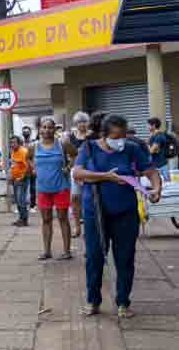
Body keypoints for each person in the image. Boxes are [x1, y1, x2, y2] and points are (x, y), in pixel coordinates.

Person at [73, 114, 162, 318]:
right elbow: (77, 173)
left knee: (125, 258)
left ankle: (123, 302)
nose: (120, 139)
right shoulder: (88, 148)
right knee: (94, 257)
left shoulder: (130, 148)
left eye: (123, 135)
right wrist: (105, 176)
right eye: (116, 136)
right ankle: (93, 300)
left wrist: (156, 189)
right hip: (96, 212)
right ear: (104, 135)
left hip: (125, 212)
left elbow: (151, 171)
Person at [27, 117, 78, 260]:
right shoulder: (33, 146)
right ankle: (47, 251)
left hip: (61, 186)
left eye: (50, 127)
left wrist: (68, 167)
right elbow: (28, 158)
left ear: (54, 129)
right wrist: (33, 169)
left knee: (62, 218)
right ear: (39, 129)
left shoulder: (63, 143)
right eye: (44, 127)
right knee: (46, 219)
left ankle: (67, 251)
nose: (46, 130)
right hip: (43, 188)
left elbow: (75, 155)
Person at [69, 111, 90, 238]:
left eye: (84, 122)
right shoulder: (71, 136)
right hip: (75, 170)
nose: (81, 124)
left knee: (87, 199)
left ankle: (88, 227)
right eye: (79, 122)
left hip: (89, 170)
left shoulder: (92, 136)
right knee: (75, 198)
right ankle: (77, 226)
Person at [9, 135, 30, 227]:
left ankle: (24, 219)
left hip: (22, 179)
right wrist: (11, 177)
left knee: (21, 200)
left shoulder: (23, 152)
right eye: (11, 143)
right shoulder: (13, 151)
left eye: (14, 142)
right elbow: (14, 165)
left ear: (19, 143)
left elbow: (29, 166)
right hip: (15, 179)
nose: (12, 144)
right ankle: (21, 218)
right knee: (17, 200)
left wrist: (22, 177)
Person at [147, 117, 169, 182]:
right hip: (155, 165)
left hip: (161, 165)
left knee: (167, 186)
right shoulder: (152, 135)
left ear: (153, 125)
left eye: (148, 125)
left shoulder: (159, 136)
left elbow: (152, 150)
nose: (147, 127)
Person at [22, 125, 37, 209]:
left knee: (33, 187)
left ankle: (33, 205)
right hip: (23, 168)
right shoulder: (20, 142)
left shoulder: (34, 142)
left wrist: (34, 166)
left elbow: (35, 155)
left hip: (31, 167)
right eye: (24, 132)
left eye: (27, 132)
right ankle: (22, 205)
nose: (26, 133)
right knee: (23, 187)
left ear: (30, 133)